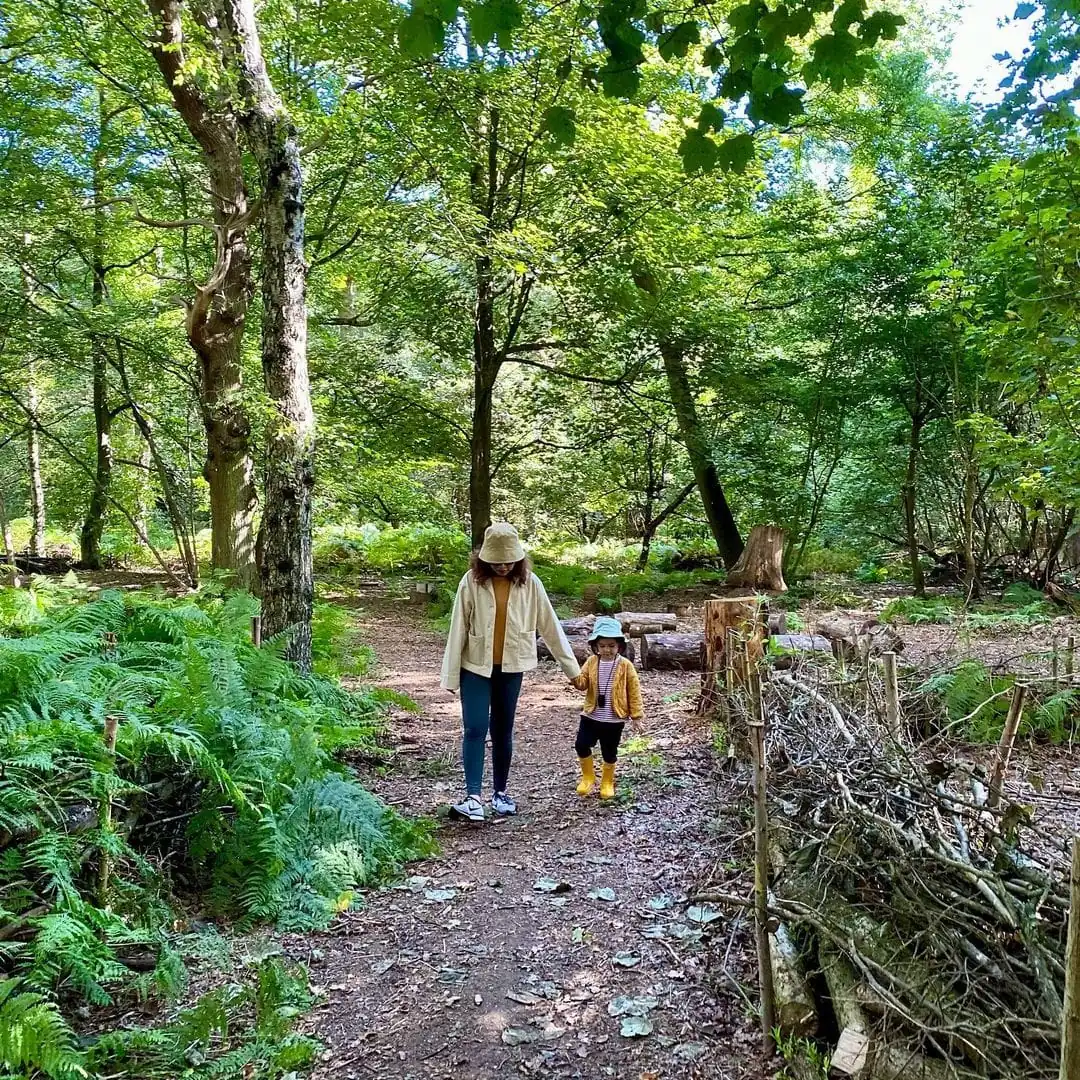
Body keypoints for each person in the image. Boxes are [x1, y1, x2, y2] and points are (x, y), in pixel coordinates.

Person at [441, 523, 581, 821]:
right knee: (475, 727)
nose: (503, 566)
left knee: (502, 730)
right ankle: (473, 797)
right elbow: (457, 629)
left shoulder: (530, 584)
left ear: (518, 559)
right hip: (475, 667)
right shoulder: (471, 582)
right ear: (484, 559)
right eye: (497, 561)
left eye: (509, 561)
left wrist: (572, 670)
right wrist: (451, 675)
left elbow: (550, 627)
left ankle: (500, 793)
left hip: (512, 667)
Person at [569, 616, 644, 799]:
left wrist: (636, 716)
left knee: (609, 751)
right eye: (602, 645)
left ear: (619, 646)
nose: (607, 649)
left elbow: (634, 690)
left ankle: (607, 781)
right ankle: (588, 777)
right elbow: (582, 683)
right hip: (591, 715)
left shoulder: (625, 666)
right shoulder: (592, 662)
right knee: (581, 744)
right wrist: (571, 672)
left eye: (611, 645)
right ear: (596, 646)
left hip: (614, 718)